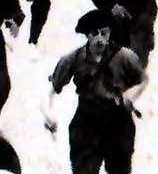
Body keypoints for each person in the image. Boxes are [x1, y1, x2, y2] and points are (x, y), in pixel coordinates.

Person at [44, 9, 147, 174]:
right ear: (87, 35)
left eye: (104, 33)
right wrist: (49, 112)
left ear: (110, 33)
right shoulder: (73, 59)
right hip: (87, 122)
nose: (100, 39)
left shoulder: (125, 56)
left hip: (118, 120)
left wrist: (131, 96)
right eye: (94, 34)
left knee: (120, 169)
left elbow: (142, 80)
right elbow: (52, 90)